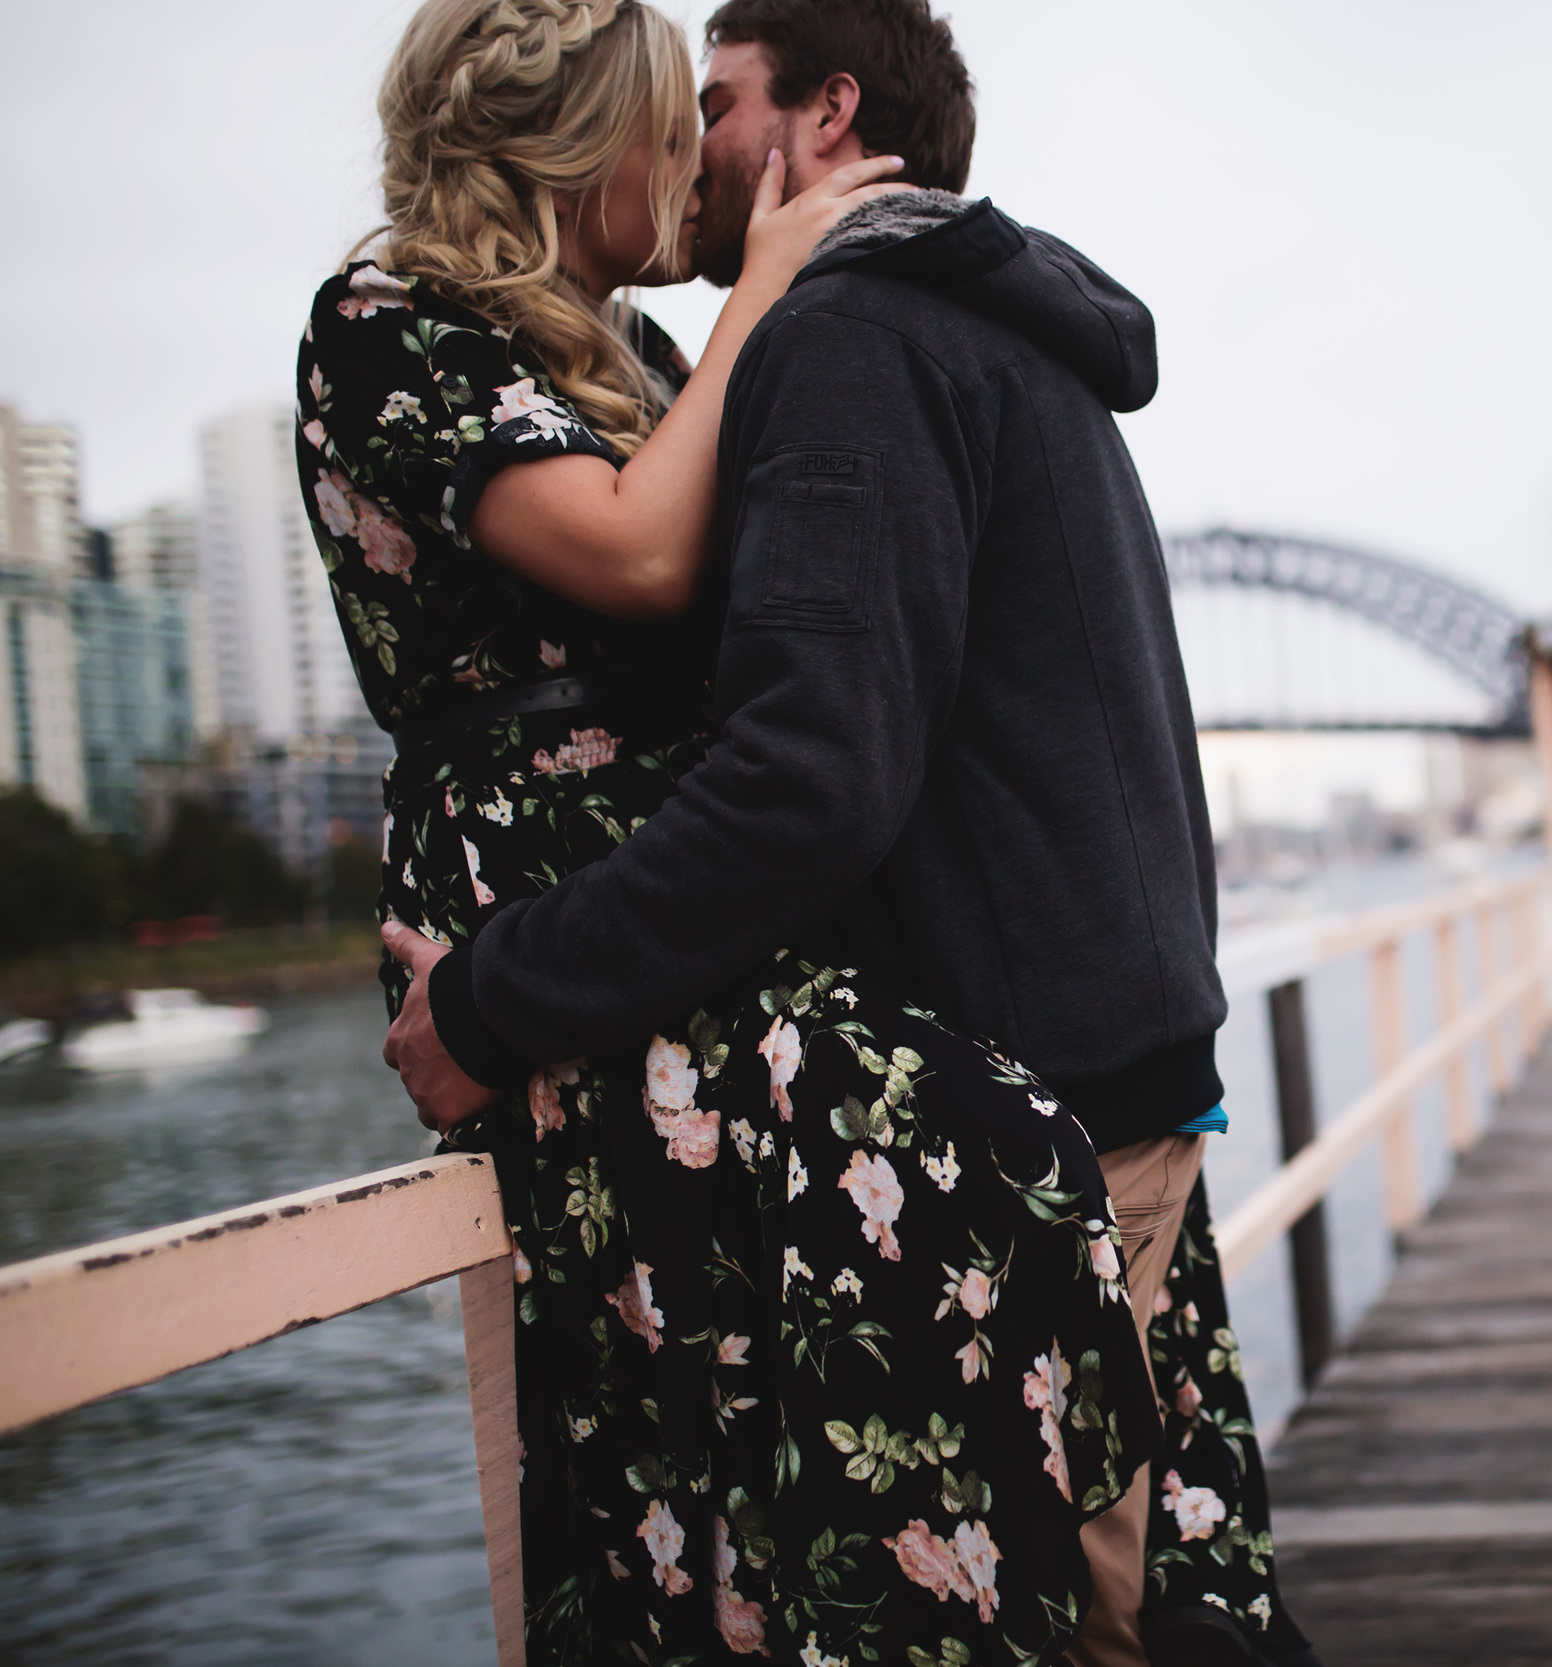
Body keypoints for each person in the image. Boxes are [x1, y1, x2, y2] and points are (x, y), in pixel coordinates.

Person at [379, 2, 1324, 1662]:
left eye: (715, 107)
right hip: (1116, 1068)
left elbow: (804, 781)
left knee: (1073, 1626)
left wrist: (491, 998)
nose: (684, 157)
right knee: (1141, 1604)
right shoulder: (1000, 320)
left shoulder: (849, 338)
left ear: (824, 115)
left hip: (1018, 1119)